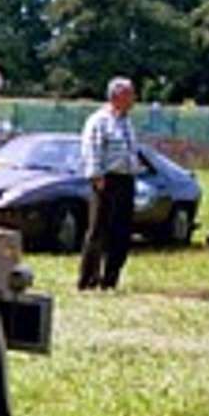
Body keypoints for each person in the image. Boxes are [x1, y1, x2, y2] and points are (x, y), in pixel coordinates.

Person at [78, 76, 138, 291]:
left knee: (121, 232)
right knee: (98, 231)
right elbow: (91, 149)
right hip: (106, 180)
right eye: (129, 94)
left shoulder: (127, 121)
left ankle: (110, 279)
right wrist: (96, 176)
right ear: (115, 96)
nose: (133, 98)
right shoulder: (99, 120)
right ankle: (88, 280)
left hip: (126, 179)